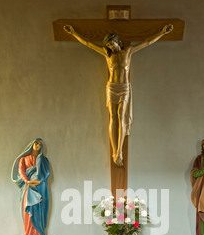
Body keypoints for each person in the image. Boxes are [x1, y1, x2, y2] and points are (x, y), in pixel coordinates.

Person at [64, 23, 173, 166]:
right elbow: (88, 43)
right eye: (108, 45)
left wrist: (162, 33)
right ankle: (115, 150)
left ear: (117, 41)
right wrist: (74, 33)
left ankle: (119, 151)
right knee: (113, 117)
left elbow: (147, 42)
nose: (110, 47)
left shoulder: (128, 51)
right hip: (111, 88)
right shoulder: (107, 54)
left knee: (121, 115)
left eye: (112, 43)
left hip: (124, 88)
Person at [11, 138, 50, 235]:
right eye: (36, 143)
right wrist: (27, 181)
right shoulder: (24, 159)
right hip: (29, 188)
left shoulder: (43, 160)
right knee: (29, 210)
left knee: (39, 210)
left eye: (40, 144)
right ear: (32, 144)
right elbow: (21, 170)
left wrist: (39, 181)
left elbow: (46, 173)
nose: (38, 146)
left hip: (40, 187)